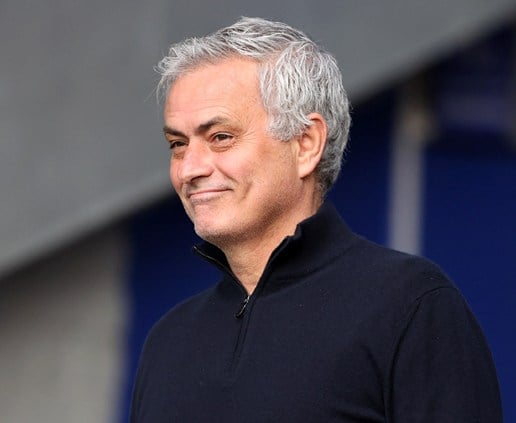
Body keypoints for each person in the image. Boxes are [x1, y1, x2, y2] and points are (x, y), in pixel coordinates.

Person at [130, 17, 502, 422]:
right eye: (178, 144)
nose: (189, 169)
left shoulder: (410, 307)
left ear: (306, 144)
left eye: (221, 137)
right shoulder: (168, 341)